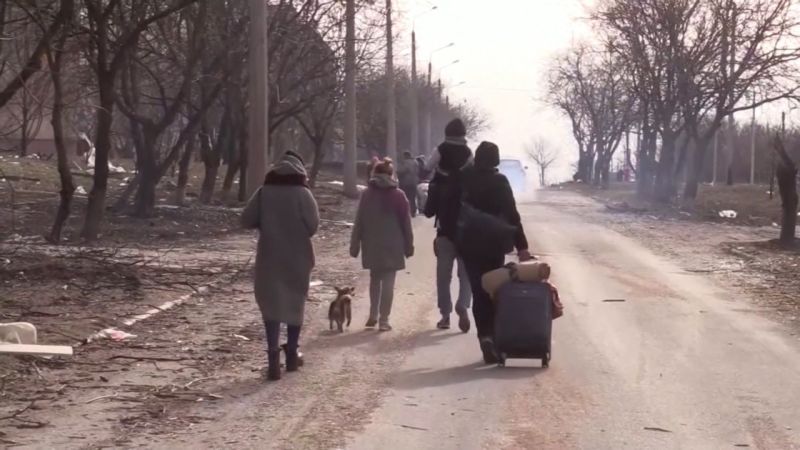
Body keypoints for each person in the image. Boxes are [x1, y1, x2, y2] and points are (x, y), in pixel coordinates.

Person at [241, 151, 320, 381]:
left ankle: (273, 358)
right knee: (295, 304)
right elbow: (313, 226)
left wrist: (265, 222)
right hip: (298, 257)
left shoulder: (264, 193)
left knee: (271, 306)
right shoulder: (304, 193)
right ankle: (293, 354)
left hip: (270, 257)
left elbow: (246, 219)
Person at [460, 141, 532, 364]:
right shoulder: (500, 181)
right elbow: (512, 214)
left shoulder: (465, 179)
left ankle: (485, 337)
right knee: (495, 289)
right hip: (494, 244)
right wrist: (522, 247)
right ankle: (495, 336)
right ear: (495, 160)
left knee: (478, 290)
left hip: (469, 244)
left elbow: (452, 210)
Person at [350, 158, 414, 332]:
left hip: (372, 243)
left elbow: (359, 220)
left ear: (374, 174)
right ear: (391, 174)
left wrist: (354, 244)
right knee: (388, 283)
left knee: (374, 280)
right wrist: (409, 245)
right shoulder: (399, 195)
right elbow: (406, 223)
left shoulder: (367, 194)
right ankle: (384, 320)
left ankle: (373, 314)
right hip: (393, 245)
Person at [423, 118, 473, 332]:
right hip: (466, 228)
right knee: (466, 274)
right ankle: (463, 304)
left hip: (444, 227)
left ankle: (445, 314)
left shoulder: (441, 149)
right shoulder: (469, 153)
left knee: (443, 276)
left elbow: (427, 167)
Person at [397, 151, 420, 217]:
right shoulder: (415, 162)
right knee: (412, 197)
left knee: (405, 197)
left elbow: (402, 170)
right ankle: (413, 211)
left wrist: (398, 172)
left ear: (405, 156)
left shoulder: (405, 162)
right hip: (414, 182)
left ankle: (405, 211)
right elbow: (417, 171)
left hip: (406, 183)